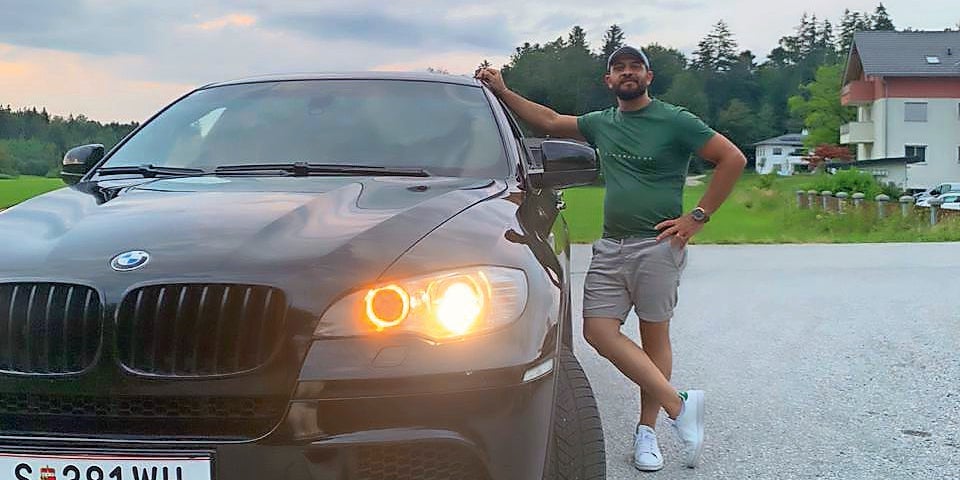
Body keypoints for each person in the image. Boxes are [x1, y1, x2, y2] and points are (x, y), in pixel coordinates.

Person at [476, 46, 746, 471]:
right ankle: (679, 405)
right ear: (609, 81)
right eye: (619, 68)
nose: (627, 72)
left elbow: (732, 158)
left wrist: (698, 216)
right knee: (598, 332)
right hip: (610, 246)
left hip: (658, 245)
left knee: (654, 337)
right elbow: (549, 121)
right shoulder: (603, 123)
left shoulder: (675, 120)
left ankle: (647, 432)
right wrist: (503, 91)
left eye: (635, 66)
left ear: (648, 77)